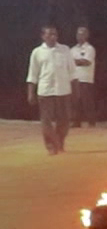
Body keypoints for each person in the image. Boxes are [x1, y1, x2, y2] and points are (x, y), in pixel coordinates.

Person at [26, 25, 75, 155]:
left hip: (63, 90)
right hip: (45, 91)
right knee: (46, 121)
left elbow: (72, 72)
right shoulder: (37, 52)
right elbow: (32, 74)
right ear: (43, 36)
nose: (53, 37)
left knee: (64, 120)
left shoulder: (65, 50)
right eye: (50, 34)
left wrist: (76, 90)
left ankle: (60, 142)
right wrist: (30, 93)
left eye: (55, 34)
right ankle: (51, 146)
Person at [69, 26, 96, 127]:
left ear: (87, 35)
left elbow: (86, 62)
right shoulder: (72, 49)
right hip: (74, 78)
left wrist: (74, 61)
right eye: (78, 34)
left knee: (87, 101)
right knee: (75, 101)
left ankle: (91, 122)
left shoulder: (90, 49)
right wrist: (77, 61)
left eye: (82, 34)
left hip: (86, 79)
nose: (79, 36)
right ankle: (76, 121)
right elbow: (68, 63)